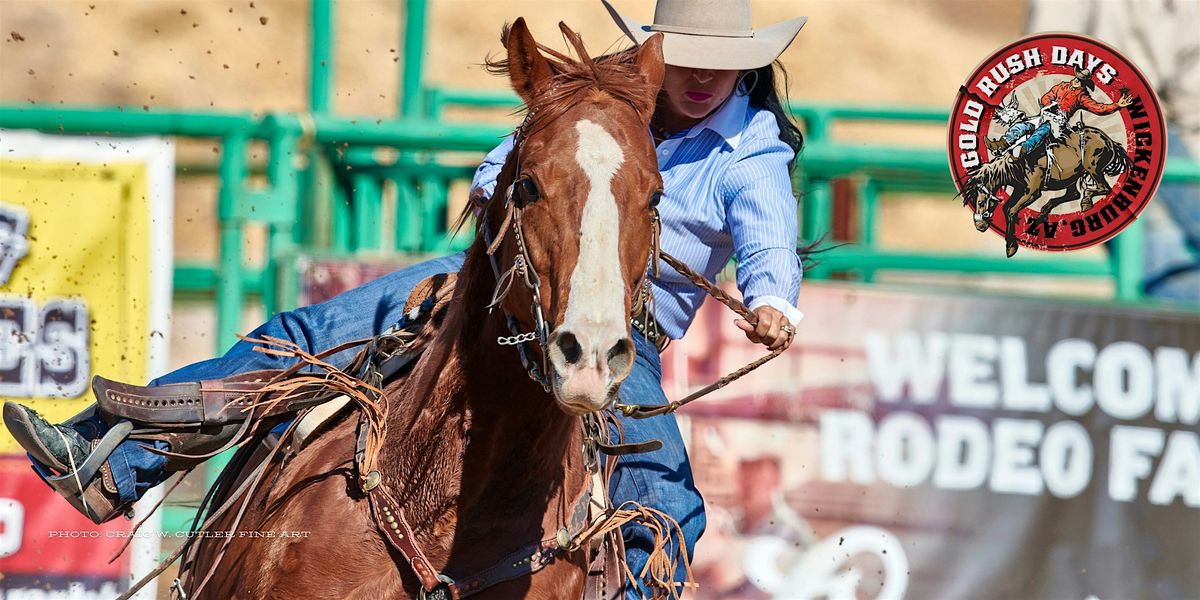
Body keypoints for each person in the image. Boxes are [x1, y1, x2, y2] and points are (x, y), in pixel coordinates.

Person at [3, 0, 809, 595]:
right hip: (494, 287)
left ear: (745, 66)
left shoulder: (751, 151)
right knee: (304, 335)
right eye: (690, 56)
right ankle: (115, 456)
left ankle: (642, 588)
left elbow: (768, 235)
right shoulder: (590, 106)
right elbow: (496, 173)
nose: (702, 76)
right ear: (658, 58)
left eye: (720, 60)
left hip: (614, 329)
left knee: (659, 479)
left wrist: (772, 298)